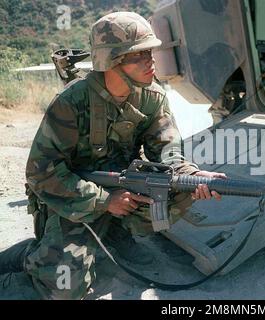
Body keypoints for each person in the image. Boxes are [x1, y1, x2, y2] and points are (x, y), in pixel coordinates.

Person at [0, 11, 226, 300]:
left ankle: (116, 234)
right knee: (65, 288)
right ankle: (30, 257)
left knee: (175, 188)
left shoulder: (152, 97)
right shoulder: (71, 102)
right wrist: (104, 202)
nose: (151, 61)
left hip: (122, 190)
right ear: (110, 61)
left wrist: (193, 177)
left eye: (150, 52)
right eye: (138, 55)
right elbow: (41, 172)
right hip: (73, 200)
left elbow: (168, 153)